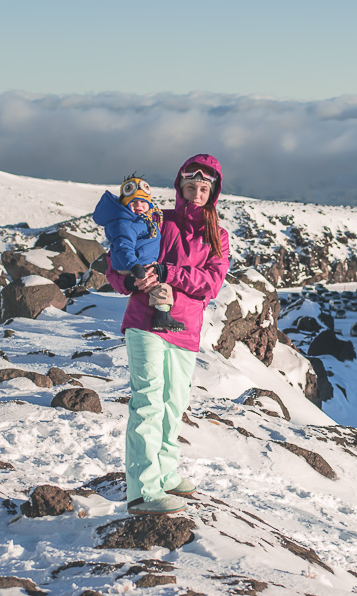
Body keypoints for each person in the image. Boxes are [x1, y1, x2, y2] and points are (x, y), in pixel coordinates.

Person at [104, 154, 229, 515]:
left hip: (186, 328)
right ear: (180, 187)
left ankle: (166, 473)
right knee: (148, 402)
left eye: (204, 188)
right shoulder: (159, 222)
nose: (196, 193)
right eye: (190, 186)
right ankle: (142, 492)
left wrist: (167, 271)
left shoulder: (216, 236)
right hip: (147, 321)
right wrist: (129, 280)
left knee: (174, 405)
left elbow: (211, 284)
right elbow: (119, 262)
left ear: (213, 192)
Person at [92, 174, 186, 332]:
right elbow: (123, 246)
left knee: (149, 286)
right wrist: (133, 265)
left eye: (143, 201)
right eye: (133, 202)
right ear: (125, 203)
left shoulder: (142, 220)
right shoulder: (125, 223)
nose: (139, 205)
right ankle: (162, 317)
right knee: (160, 285)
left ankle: (152, 317)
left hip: (138, 261)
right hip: (132, 263)